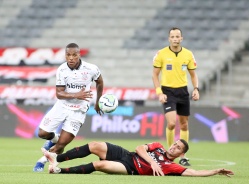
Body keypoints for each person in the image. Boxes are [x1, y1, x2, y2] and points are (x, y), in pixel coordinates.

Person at [33, 43, 104, 172]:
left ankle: (41, 162)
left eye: (74, 55)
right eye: (68, 55)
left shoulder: (91, 68)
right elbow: (59, 94)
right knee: (42, 133)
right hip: (62, 106)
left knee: (61, 145)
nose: (71, 58)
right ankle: (54, 138)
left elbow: (99, 82)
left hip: (78, 110)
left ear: (79, 55)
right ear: (65, 55)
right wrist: (77, 94)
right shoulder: (61, 70)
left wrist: (98, 101)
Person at [42, 139, 234, 177]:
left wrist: (215, 171)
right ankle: (57, 158)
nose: (174, 146)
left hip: (130, 169)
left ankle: (57, 170)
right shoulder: (158, 146)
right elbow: (139, 147)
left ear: (181, 154)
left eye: (178, 148)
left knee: (99, 164)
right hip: (128, 155)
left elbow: (193, 172)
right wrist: (151, 161)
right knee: (95, 145)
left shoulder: (170, 167)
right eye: (175, 143)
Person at [152, 27, 200, 166]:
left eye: (177, 36)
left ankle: (183, 156)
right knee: (172, 123)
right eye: (172, 36)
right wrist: (159, 92)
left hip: (183, 92)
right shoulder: (161, 54)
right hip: (168, 92)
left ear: (181, 38)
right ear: (169, 38)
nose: (175, 39)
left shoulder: (188, 54)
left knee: (184, 124)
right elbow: (155, 75)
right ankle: (169, 153)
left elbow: (193, 74)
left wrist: (196, 88)